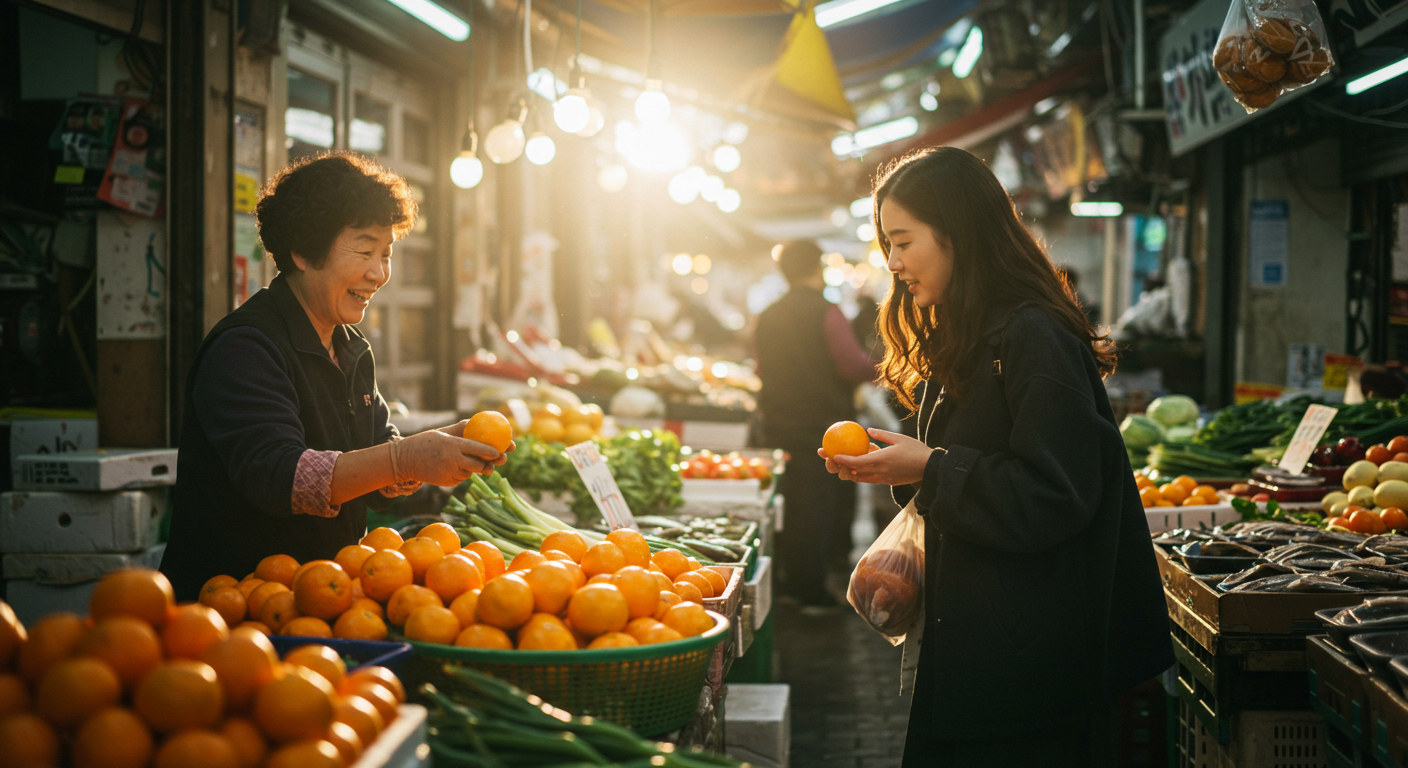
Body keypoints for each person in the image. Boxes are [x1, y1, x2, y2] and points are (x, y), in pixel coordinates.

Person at [820, 147, 1172, 766]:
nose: (893, 262)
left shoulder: (1032, 334)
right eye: (888, 244)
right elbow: (963, 466)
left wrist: (929, 468)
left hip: (1031, 665)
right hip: (981, 641)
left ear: (958, 233)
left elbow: (1056, 493)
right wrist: (902, 466)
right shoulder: (973, 328)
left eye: (903, 241)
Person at [160, 153, 507, 600]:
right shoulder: (245, 347)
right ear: (302, 251)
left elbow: (377, 474)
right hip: (237, 609)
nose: (378, 273)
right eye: (364, 251)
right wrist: (403, 460)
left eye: (386, 254)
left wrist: (434, 454)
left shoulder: (349, 347)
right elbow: (281, 478)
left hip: (326, 601)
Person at [754, 240, 875, 608]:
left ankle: (789, 582)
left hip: (776, 421)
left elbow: (760, 368)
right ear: (817, 268)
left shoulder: (768, 314)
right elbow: (851, 366)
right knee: (815, 507)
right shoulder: (827, 311)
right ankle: (809, 589)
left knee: (786, 503)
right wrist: (884, 367)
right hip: (822, 427)